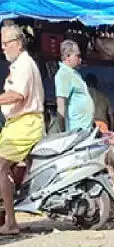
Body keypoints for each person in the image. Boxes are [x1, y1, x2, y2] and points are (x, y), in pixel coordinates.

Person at [0, 24, 44, 235]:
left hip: (25, 124)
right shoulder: (21, 64)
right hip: (18, 124)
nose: (3, 48)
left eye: (5, 43)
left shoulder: (23, 65)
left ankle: (10, 222)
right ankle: (10, 217)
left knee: (0, 167)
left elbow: (18, 95)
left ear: (16, 44)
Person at [84, 74, 114, 198]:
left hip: (89, 128)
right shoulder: (103, 96)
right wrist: (111, 131)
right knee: (107, 162)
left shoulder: (84, 96)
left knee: (88, 161)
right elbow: (111, 116)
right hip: (103, 127)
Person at [55, 40, 94, 132]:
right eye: (77, 56)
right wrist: (63, 132)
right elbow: (61, 105)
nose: (80, 59)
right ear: (68, 56)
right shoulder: (63, 74)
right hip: (75, 129)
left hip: (84, 128)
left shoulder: (74, 74)